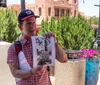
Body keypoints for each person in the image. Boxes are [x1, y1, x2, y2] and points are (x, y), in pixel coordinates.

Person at [7, 9, 67, 85]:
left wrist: (55, 43)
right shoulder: (14, 48)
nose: (32, 26)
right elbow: (15, 72)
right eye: (28, 23)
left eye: (33, 23)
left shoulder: (43, 42)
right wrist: (31, 72)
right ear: (20, 27)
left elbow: (64, 59)